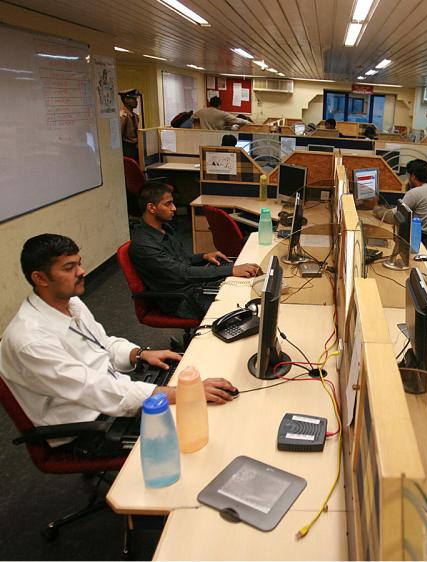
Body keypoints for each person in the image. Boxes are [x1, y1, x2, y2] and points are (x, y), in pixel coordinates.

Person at [0, 234, 238, 455]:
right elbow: (95, 390)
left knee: (201, 390)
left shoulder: (70, 303)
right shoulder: (31, 340)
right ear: (40, 278)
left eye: (79, 263)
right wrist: (181, 394)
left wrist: (139, 353)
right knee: (203, 433)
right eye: (69, 268)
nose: (82, 271)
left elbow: (102, 344)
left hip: (113, 394)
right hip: (90, 426)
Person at [129, 182, 262, 320]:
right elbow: (182, 273)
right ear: (151, 208)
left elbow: (181, 261)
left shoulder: (163, 229)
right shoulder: (145, 245)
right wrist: (231, 270)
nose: (174, 208)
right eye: (168, 204)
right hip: (181, 299)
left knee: (247, 288)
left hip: (193, 286)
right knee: (246, 315)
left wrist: (204, 256)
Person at [373, 159, 427, 256]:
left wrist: (375, 209)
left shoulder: (415, 192)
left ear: (413, 176)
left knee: (387, 249)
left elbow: (394, 217)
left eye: (408, 175)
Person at [119, 88, 140, 161]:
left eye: (136, 99)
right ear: (126, 100)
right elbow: (119, 137)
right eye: (133, 99)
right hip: (127, 149)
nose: (136, 102)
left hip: (135, 148)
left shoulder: (135, 116)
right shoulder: (123, 116)